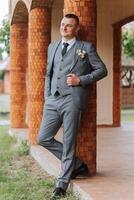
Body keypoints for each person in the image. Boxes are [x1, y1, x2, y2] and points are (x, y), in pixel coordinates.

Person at [38, 13, 108, 199]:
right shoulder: (52, 47)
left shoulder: (85, 47)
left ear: (76, 29)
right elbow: (48, 74)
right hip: (53, 99)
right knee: (43, 138)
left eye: (69, 25)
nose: (65, 27)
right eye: (63, 24)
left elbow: (102, 70)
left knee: (69, 142)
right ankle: (77, 164)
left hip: (72, 100)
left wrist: (80, 80)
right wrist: (47, 97)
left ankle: (61, 184)